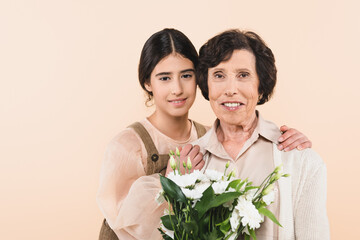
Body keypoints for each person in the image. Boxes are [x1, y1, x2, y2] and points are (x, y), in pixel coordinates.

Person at [96, 28, 312, 240]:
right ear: (147, 82)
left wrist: (286, 141)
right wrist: (170, 182)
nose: (177, 89)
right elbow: (125, 226)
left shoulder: (210, 139)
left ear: (199, 79)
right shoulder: (127, 146)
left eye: (186, 75)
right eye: (164, 78)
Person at [190, 29, 330, 239]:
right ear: (206, 86)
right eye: (219, 75)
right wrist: (177, 185)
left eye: (243, 75)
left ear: (261, 87)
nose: (230, 89)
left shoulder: (301, 160)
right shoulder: (190, 165)